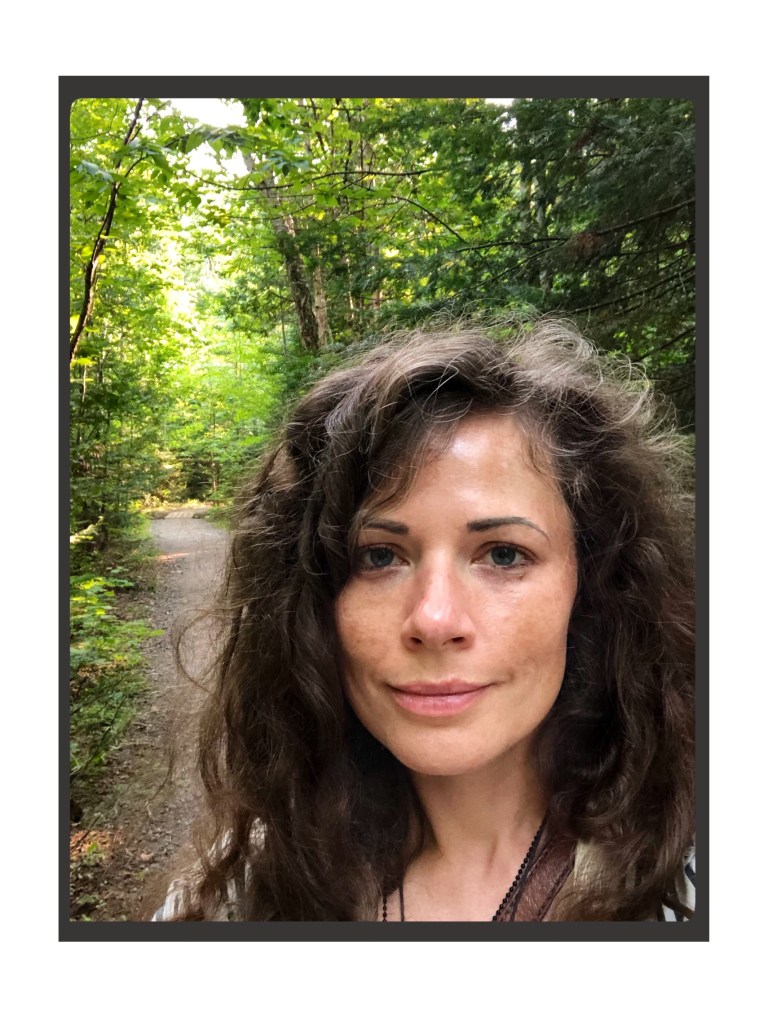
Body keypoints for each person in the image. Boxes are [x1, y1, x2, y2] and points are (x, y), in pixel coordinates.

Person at [153, 319, 695, 922]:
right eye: (380, 556)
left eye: (504, 554)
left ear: (592, 584)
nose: (435, 620)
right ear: (312, 605)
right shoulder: (235, 898)